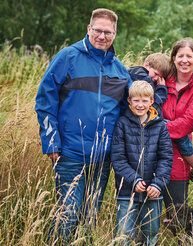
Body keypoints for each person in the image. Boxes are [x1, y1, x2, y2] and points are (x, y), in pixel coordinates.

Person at [35, 8, 132, 242]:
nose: (102, 36)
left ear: (115, 34)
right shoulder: (68, 57)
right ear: (89, 29)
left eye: (107, 32)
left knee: (89, 219)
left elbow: (133, 106)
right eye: (97, 30)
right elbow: (44, 99)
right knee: (67, 216)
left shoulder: (119, 70)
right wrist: (51, 142)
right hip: (70, 154)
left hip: (102, 158)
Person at [111, 80, 172, 245]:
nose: (140, 105)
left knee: (150, 235)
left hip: (153, 193)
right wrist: (134, 179)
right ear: (129, 101)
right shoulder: (122, 124)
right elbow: (118, 159)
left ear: (151, 101)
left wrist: (158, 184)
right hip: (126, 193)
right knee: (123, 235)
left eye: (145, 100)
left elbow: (166, 158)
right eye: (136, 100)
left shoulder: (160, 126)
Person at [129, 52, 193, 185]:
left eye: (160, 77)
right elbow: (154, 104)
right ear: (147, 65)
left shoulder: (135, 73)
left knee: (181, 135)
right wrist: (162, 88)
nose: (156, 78)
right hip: (144, 119)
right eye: (156, 74)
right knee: (182, 137)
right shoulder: (144, 78)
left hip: (145, 119)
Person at [162, 37, 193, 216]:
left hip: (178, 159)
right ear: (173, 58)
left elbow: (189, 122)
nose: (184, 60)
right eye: (180, 56)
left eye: (189, 56)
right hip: (152, 155)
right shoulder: (163, 81)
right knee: (149, 216)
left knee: (177, 213)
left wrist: (157, 128)